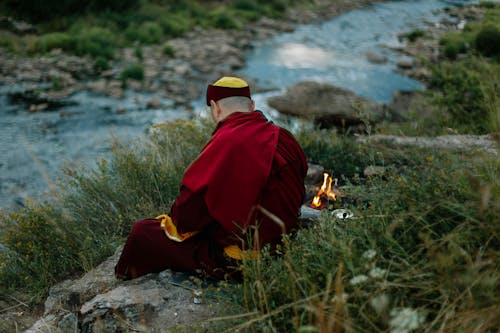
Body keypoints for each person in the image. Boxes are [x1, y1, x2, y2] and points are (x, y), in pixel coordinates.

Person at [115, 76, 308, 280]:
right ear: (252, 105)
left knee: (143, 232)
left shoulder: (227, 141)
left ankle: (124, 277)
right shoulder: (285, 137)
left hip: (238, 262)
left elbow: (188, 212)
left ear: (215, 108)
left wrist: (179, 224)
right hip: (282, 247)